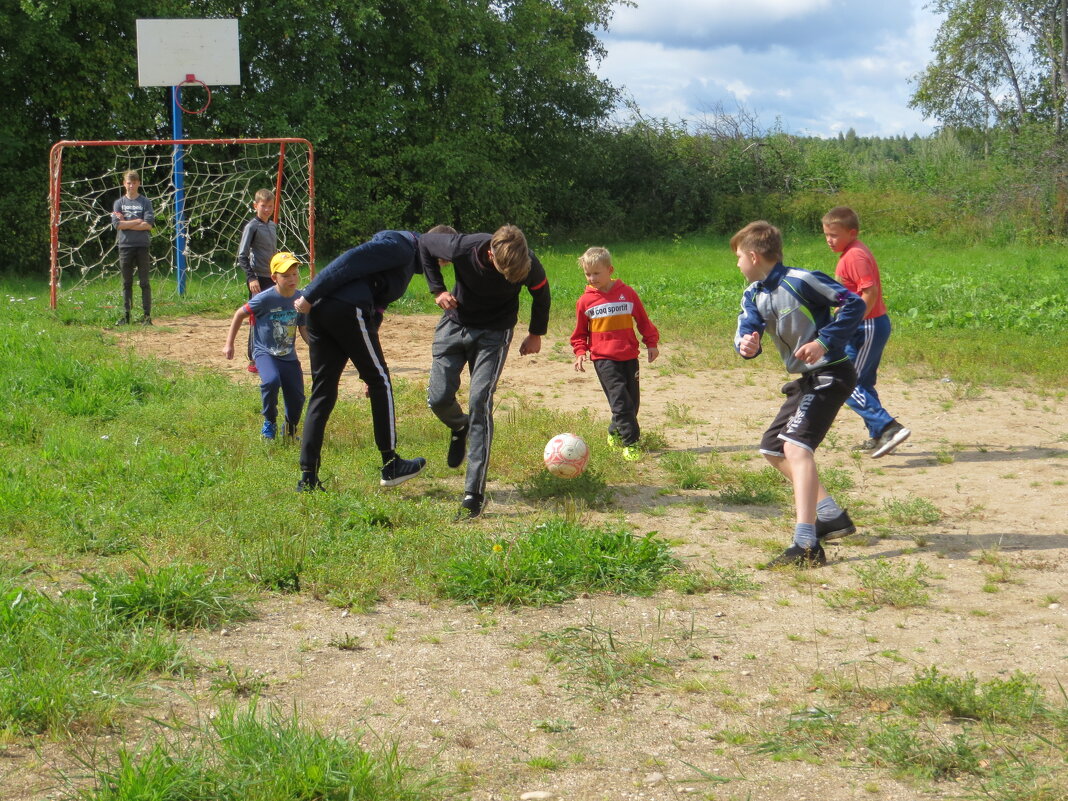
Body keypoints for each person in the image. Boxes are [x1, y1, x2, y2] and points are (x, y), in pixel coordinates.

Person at [731, 221, 865, 567]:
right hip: (806, 380)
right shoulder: (754, 294)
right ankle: (830, 514)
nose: (737, 265)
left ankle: (807, 544)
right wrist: (747, 345)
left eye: (738, 258)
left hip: (831, 372)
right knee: (773, 447)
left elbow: (853, 304)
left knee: (796, 446)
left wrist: (824, 342)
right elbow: (747, 327)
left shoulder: (802, 280)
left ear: (753, 255)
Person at [419, 224, 550, 520]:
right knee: (438, 398)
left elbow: (541, 295)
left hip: (494, 333)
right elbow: (425, 244)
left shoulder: (528, 262)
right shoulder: (461, 248)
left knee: (480, 402)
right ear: (491, 254)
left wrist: (535, 333)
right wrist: (438, 289)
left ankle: (473, 494)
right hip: (454, 325)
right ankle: (458, 425)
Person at [293, 231, 427, 492]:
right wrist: (310, 294)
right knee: (381, 381)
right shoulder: (402, 245)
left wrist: (367, 371)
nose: (438, 268)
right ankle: (391, 464)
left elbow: (376, 308)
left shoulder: (405, 263)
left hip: (329, 310)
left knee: (324, 390)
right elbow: (350, 259)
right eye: (441, 261)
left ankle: (307, 477)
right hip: (341, 307)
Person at [822, 206, 911, 459]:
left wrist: (851, 322)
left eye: (835, 235)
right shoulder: (849, 253)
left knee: (845, 383)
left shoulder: (855, 256)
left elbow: (869, 293)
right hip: (863, 326)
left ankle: (888, 427)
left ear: (852, 232)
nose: (829, 240)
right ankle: (879, 436)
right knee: (862, 383)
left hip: (867, 326)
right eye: (826, 234)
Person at [570, 247, 660, 461]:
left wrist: (651, 343)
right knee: (621, 402)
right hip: (603, 359)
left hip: (629, 356)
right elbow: (580, 332)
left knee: (632, 403)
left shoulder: (627, 294)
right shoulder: (585, 302)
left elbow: (643, 320)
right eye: (587, 274)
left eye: (596, 273)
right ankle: (631, 443)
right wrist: (580, 351)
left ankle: (615, 432)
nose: (592, 278)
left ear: (610, 270)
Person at [223, 252, 308, 440]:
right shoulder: (265, 298)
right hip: (264, 352)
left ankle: (289, 430)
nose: (292, 279)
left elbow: (303, 328)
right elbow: (239, 314)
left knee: (297, 398)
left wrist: (316, 344)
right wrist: (229, 344)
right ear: (274, 278)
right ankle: (269, 421)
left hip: (288, 355)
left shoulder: (300, 299)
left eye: (294, 274)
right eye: (285, 276)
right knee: (271, 381)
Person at [237, 189, 279, 374]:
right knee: (256, 318)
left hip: (271, 277)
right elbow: (242, 255)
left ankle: (269, 355)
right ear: (256, 206)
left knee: (272, 317)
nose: (267, 209)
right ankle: (253, 359)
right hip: (258, 279)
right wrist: (251, 277)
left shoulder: (272, 226)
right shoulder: (251, 226)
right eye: (263, 206)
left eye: (270, 206)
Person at [111, 170, 154, 325]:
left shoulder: (145, 202)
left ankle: (147, 316)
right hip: (125, 246)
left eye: (134, 183)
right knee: (126, 282)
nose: (131, 185)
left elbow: (148, 225)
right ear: (124, 184)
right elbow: (118, 225)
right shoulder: (119, 203)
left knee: (144, 282)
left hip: (142, 246)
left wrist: (127, 223)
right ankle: (126, 316)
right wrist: (137, 221)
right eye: (128, 183)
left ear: (138, 183)